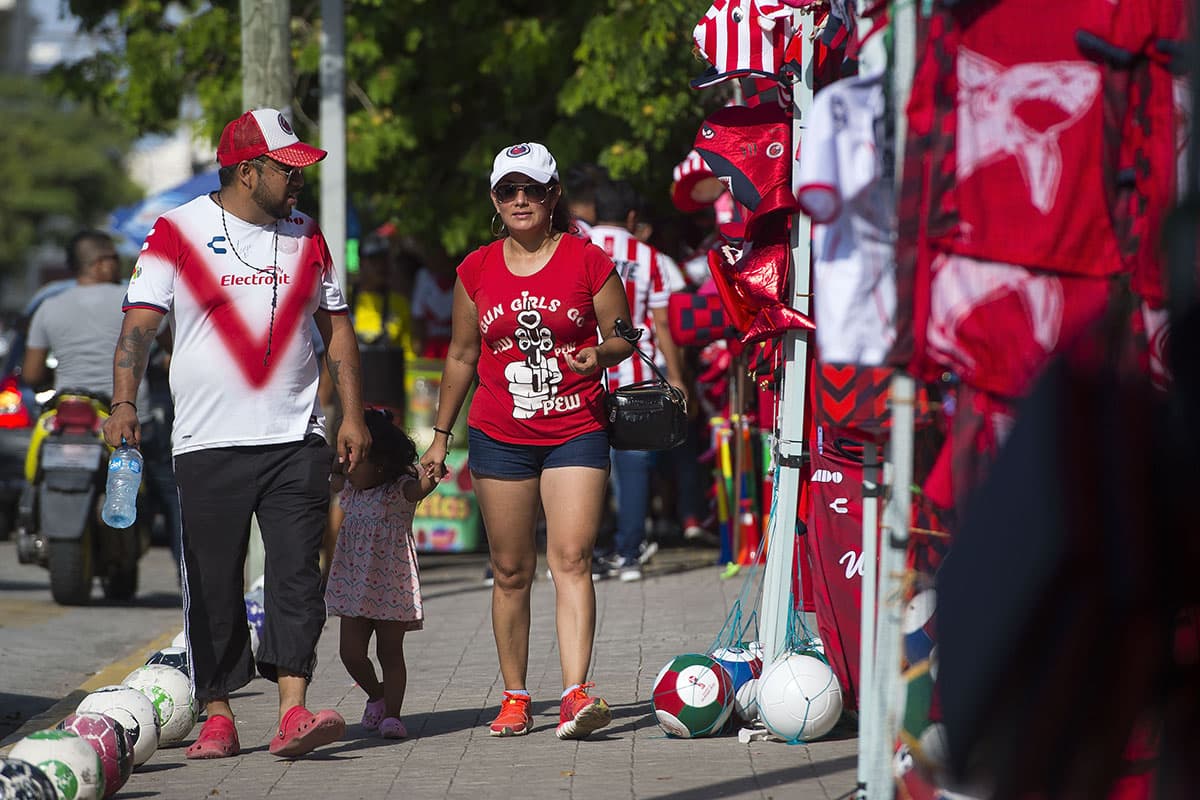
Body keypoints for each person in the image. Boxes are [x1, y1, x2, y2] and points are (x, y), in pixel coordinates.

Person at [102, 108, 371, 760]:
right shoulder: (177, 231)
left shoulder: (308, 235)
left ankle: (292, 708)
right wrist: (122, 401)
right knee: (213, 578)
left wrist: (354, 414)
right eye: (289, 168)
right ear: (249, 171)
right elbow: (140, 325)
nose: (299, 180)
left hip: (294, 435)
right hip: (207, 440)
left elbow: (336, 327)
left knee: (295, 574)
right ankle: (218, 711)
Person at [420, 141, 634, 739]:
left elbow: (623, 335)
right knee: (510, 569)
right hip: (499, 433)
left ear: (552, 195)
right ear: (495, 199)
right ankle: (515, 696)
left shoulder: (588, 260)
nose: (520, 200)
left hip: (575, 428)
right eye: (508, 190)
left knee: (571, 559)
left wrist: (602, 352)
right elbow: (462, 355)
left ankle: (574, 694)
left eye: (532, 190)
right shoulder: (475, 270)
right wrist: (440, 438)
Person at [587, 181, 688, 581]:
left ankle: (592, 553)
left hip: (588, 373)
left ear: (594, 213)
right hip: (638, 379)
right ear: (632, 218)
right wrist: (677, 378)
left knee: (586, 465)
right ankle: (628, 554)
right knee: (634, 467)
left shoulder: (578, 248)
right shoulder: (651, 258)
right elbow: (661, 323)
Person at [324, 409, 439, 739]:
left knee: (390, 652)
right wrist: (338, 462)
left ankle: (392, 714)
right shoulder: (351, 489)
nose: (348, 467)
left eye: (354, 459)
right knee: (350, 653)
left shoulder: (397, 491)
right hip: (354, 586)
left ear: (379, 464)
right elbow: (332, 479)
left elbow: (421, 488)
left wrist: (433, 473)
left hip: (391, 586)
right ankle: (376, 694)